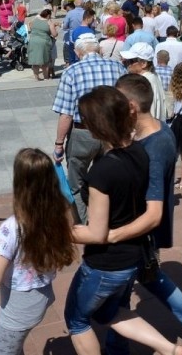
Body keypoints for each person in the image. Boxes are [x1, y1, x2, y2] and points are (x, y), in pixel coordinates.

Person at [64, 86, 182, 355]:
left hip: (104, 264)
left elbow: (96, 234)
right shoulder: (142, 151)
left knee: (77, 320)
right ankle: (170, 350)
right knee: (114, 311)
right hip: (133, 258)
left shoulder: (103, 172)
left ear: (96, 128)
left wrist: (58, 232)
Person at [112, 74, 182, 355]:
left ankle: (116, 347)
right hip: (141, 231)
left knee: (118, 293)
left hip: (139, 230)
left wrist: (116, 234)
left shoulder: (155, 147)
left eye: (118, 102)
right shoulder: (157, 130)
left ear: (132, 106)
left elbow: (153, 205)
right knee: (149, 277)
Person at [0, 148, 77, 355]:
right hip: (41, 296)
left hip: (17, 309)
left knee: (3, 352)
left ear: (20, 184)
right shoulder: (59, 214)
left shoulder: (12, 228)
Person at [52, 33, 126, 223]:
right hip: (112, 131)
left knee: (76, 182)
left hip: (83, 132)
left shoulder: (72, 72)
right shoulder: (117, 67)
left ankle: (87, 223)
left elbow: (66, 113)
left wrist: (59, 144)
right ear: (99, 50)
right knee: (110, 177)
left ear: (77, 53)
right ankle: (111, 217)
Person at [27, 8, 58, 80]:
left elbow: (30, 26)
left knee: (35, 61)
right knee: (45, 61)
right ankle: (46, 77)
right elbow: (54, 34)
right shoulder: (49, 22)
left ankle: (36, 77)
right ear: (48, 15)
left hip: (33, 41)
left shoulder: (35, 20)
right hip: (43, 42)